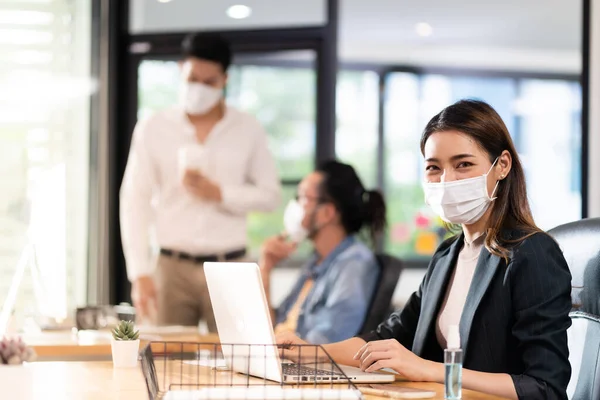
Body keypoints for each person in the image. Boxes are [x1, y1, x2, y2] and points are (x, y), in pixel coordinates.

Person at [277, 100, 572, 399]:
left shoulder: (532, 253)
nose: (447, 180)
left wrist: (431, 370)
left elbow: (545, 387)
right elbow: (387, 338)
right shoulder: (447, 255)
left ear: (502, 166)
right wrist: (310, 352)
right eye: (434, 167)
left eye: (463, 164)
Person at [120, 32, 281, 330]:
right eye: (193, 79)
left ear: (225, 80)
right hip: (171, 267)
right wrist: (139, 272)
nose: (199, 89)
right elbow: (134, 201)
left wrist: (220, 193)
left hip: (232, 266)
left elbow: (270, 196)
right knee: (164, 361)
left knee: (241, 364)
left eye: (209, 82)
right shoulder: (153, 127)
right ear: (181, 69)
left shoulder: (248, 128)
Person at [260, 160, 387, 344]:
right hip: (281, 360)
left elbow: (328, 342)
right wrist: (266, 268)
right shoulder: (316, 262)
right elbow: (274, 326)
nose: (295, 206)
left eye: (303, 197)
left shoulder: (353, 264)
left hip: (304, 366)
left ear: (327, 212)